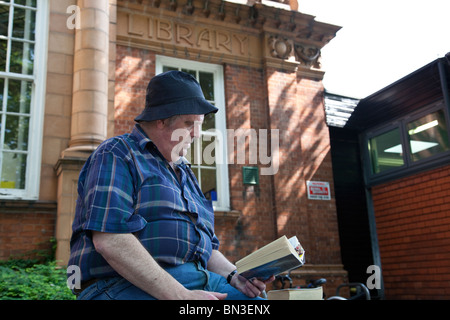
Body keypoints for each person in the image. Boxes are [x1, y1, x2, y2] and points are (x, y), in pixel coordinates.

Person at [68, 70, 274, 300]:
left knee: (253, 300)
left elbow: (207, 250)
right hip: (120, 284)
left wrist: (235, 276)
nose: (197, 134)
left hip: (196, 279)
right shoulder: (117, 153)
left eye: (200, 125)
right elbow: (111, 241)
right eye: (189, 123)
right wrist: (181, 296)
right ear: (162, 120)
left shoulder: (186, 173)